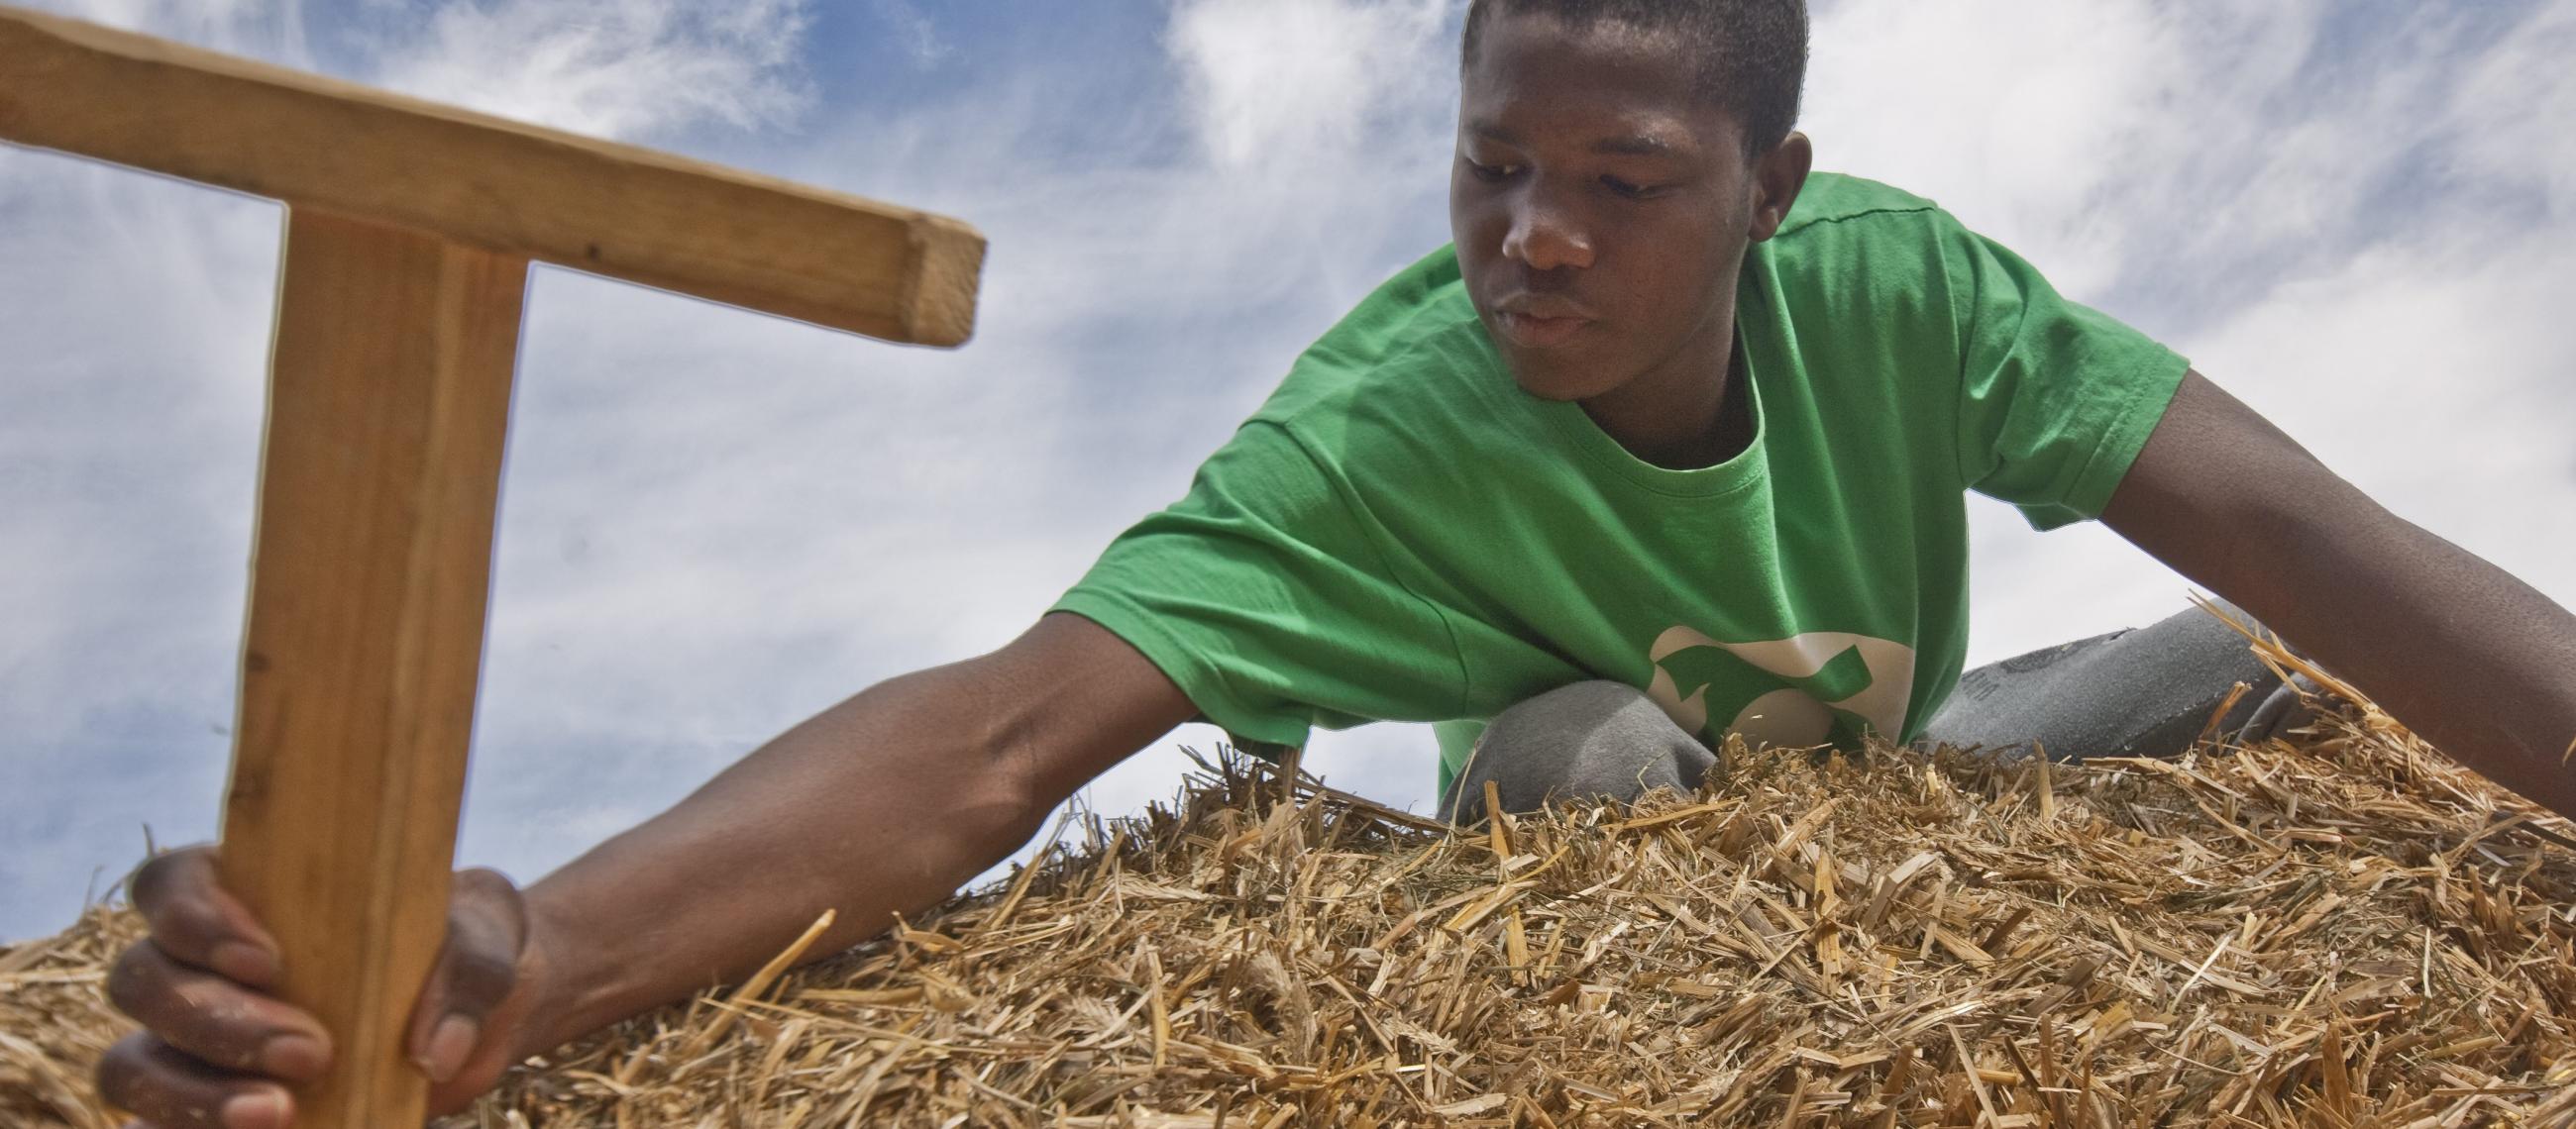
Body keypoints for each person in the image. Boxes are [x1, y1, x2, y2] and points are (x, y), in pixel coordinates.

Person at [93, 1, 2576, 1125]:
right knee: (1598, 769)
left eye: (1620, 185)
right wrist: (534, 954)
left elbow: (2310, 534)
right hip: (1592, 795)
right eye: (1492, 164)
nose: (1531, 239)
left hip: (1899, 765)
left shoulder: (1906, 292)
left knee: (2253, 661)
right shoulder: (1383, 433)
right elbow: (995, 739)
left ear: (1770, 194)